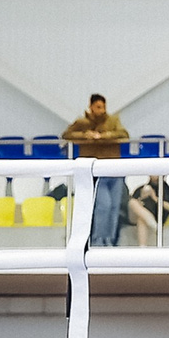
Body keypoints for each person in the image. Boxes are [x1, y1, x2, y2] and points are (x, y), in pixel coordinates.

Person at [63, 93, 130, 248]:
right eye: (98, 107)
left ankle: (110, 240)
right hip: (95, 171)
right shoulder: (82, 122)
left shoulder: (113, 121)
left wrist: (104, 136)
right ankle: (98, 240)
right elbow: (66, 134)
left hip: (114, 169)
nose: (102, 110)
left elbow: (123, 134)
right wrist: (86, 135)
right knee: (103, 206)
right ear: (91, 106)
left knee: (114, 207)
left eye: (103, 107)